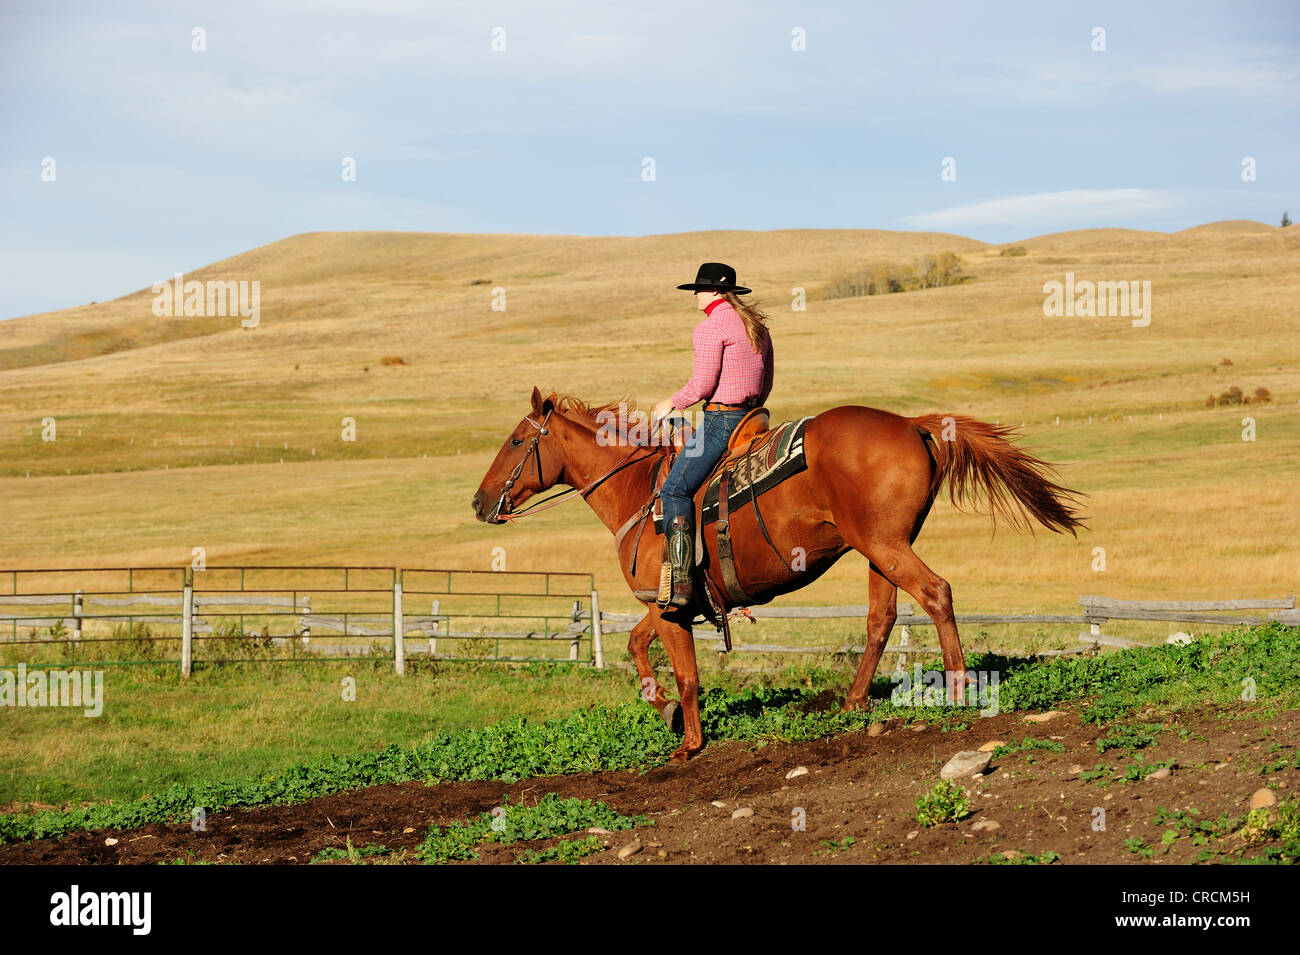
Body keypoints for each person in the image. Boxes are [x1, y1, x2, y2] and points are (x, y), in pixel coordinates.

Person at [650, 262, 774, 608]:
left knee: (674, 489)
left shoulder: (709, 327)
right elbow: (768, 379)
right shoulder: (756, 326)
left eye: (700, 288)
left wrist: (670, 403)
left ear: (715, 292)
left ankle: (681, 579)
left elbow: (703, 384)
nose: (695, 294)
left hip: (722, 422)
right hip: (753, 419)